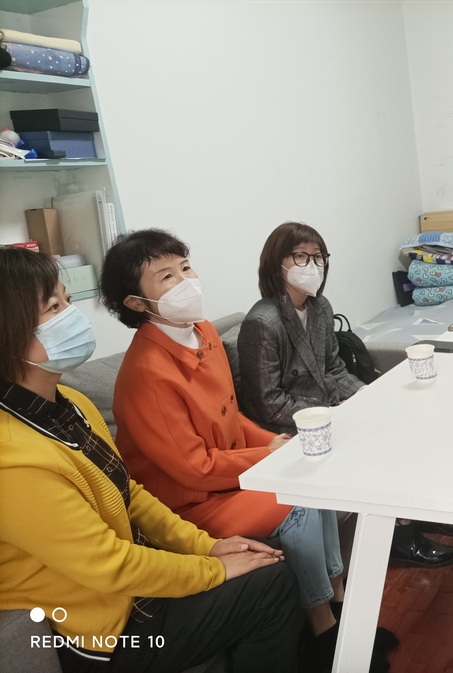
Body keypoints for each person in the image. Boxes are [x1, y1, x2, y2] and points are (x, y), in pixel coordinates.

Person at [99, 229, 391, 673]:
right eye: (167, 277)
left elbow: (230, 415)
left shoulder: (202, 333)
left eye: (185, 268)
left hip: (228, 480)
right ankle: (322, 629)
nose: (186, 281)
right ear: (136, 302)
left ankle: (340, 603)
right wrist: (267, 456)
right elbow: (193, 468)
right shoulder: (148, 373)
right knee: (296, 502)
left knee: (316, 482)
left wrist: (271, 444)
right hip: (189, 503)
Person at [0, 246, 300, 673]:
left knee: (267, 558)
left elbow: (129, 494)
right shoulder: (13, 461)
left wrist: (208, 546)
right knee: (269, 584)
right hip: (102, 633)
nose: (73, 316)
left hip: (135, 587)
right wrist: (212, 570)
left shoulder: (72, 403)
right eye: (54, 308)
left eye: (68, 300)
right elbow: (110, 566)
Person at [237, 221, 453, 568]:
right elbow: (268, 403)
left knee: (400, 416)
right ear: (276, 263)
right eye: (300, 256)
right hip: (291, 427)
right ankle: (401, 539)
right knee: (375, 442)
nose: (312, 265)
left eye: (318, 257)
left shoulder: (319, 307)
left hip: (327, 411)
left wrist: (369, 396)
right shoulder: (263, 322)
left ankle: (423, 512)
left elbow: (334, 368)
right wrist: (331, 415)